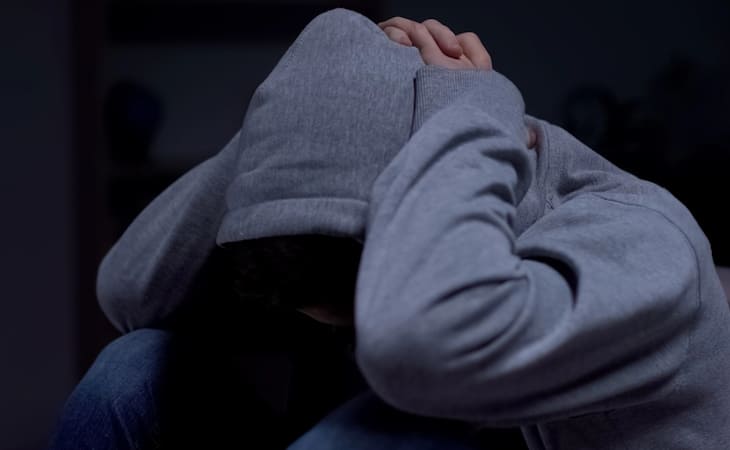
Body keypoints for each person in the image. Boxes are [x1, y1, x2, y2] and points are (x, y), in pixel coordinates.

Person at [48, 8, 730, 450]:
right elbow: (128, 293)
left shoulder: (639, 238)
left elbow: (413, 350)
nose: (347, 341)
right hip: (452, 396)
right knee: (130, 372)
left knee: (374, 431)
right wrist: (290, 117)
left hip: (441, 386)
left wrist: (471, 108)